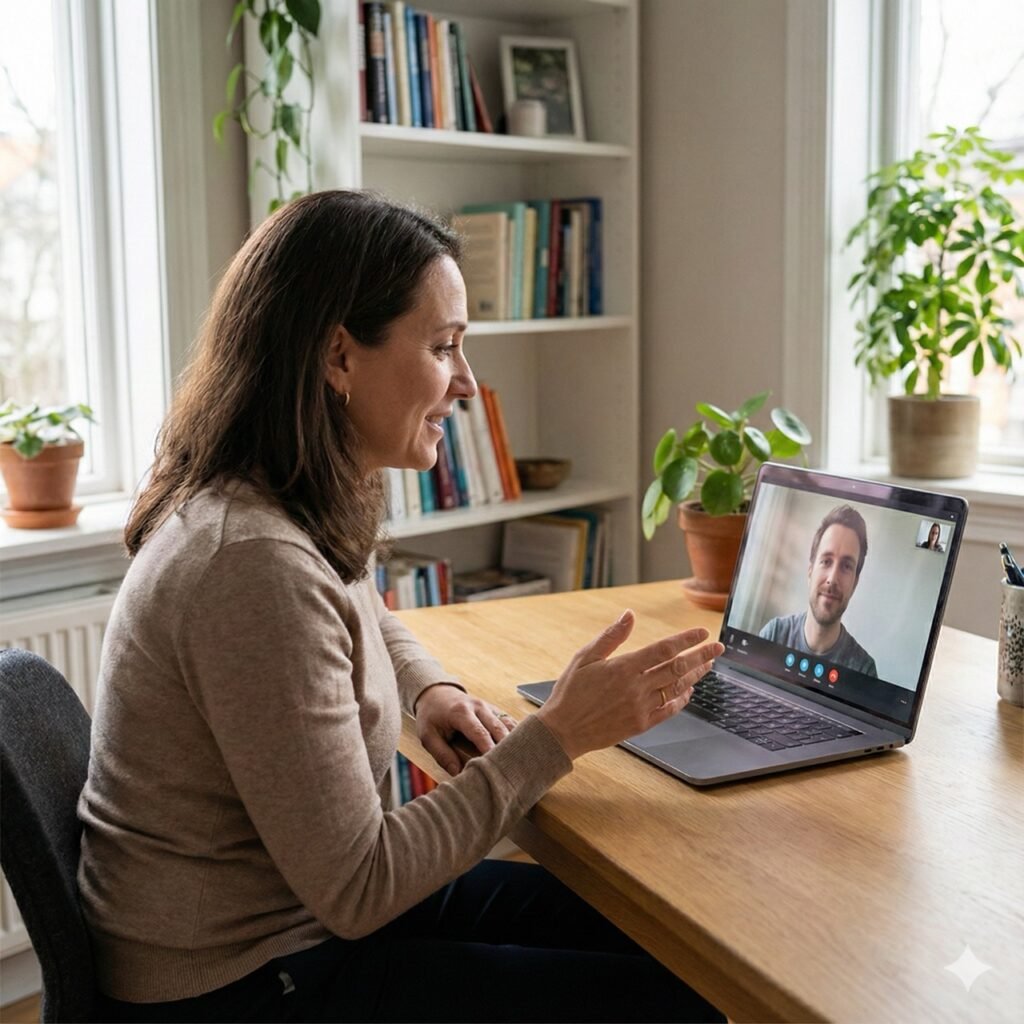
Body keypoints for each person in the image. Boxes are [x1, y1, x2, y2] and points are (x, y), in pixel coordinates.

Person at [77, 190, 726, 1024]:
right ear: (339, 356)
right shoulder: (251, 564)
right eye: (445, 346)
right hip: (242, 979)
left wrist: (430, 691)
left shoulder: (280, 498)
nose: (465, 382)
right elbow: (359, 887)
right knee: (670, 1000)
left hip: (291, 920)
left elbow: (361, 608)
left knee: (659, 941)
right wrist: (555, 738)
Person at [759, 504, 877, 677]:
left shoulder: (863, 670)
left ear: (855, 583)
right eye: (826, 561)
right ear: (810, 571)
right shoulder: (774, 634)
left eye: (846, 566)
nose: (832, 578)